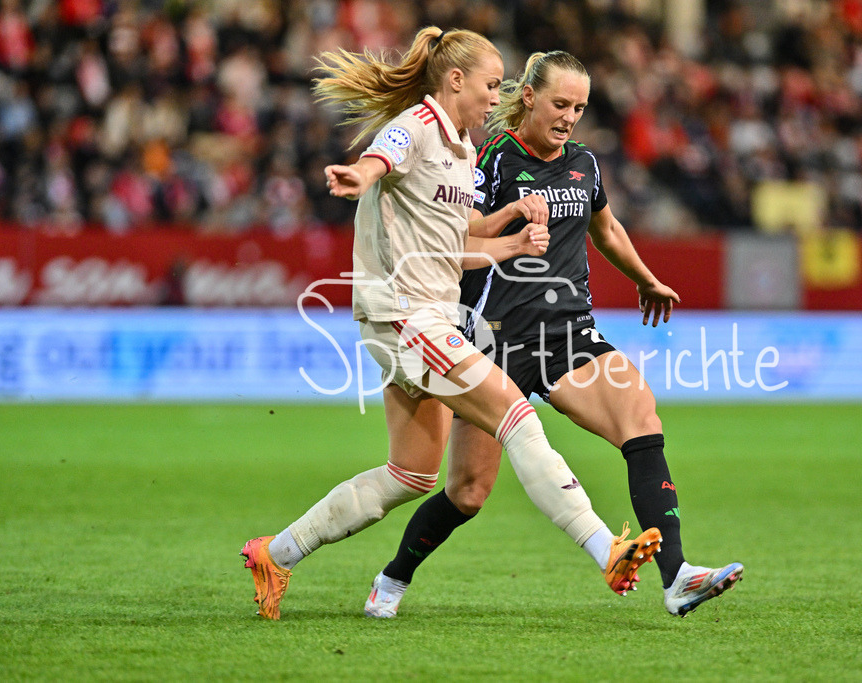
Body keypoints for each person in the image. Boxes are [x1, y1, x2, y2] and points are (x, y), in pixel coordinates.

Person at [240, 27, 662, 620]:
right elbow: (382, 155)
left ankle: (275, 553)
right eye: (492, 85)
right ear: (456, 80)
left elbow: (457, 241)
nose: (497, 97)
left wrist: (512, 229)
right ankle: (604, 548)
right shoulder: (416, 126)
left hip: (429, 317)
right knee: (516, 415)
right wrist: (362, 175)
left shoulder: (462, 152)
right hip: (405, 318)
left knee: (409, 475)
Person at [365, 50, 743, 619]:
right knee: (468, 492)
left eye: (580, 108)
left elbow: (606, 228)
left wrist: (645, 278)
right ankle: (392, 579)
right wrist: (507, 230)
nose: (569, 117)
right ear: (529, 97)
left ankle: (678, 576)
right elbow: (457, 236)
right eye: (560, 104)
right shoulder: (491, 158)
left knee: (641, 418)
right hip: (494, 340)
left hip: (568, 334)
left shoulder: (585, 164)